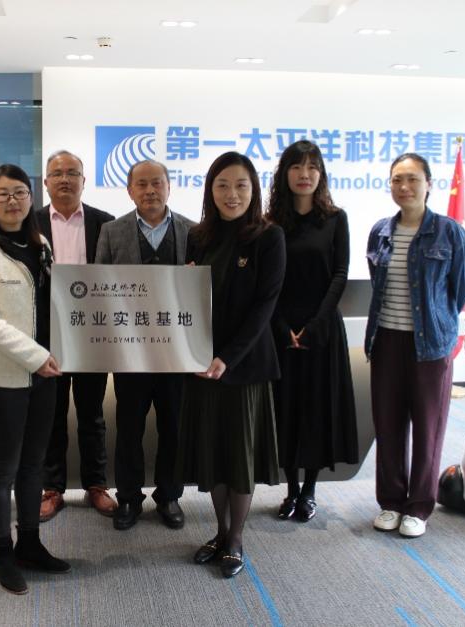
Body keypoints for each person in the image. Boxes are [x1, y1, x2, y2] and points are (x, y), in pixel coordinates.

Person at [0, 164, 70, 595]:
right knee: (3, 468)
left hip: (43, 374)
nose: (12, 201)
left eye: (20, 192)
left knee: (33, 464)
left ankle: (30, 543)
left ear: (31, 198)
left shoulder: (40, 245)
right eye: (2, 194)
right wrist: (36, 356)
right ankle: (2, 552)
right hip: (1, 375)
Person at [177, 152, 285, 579]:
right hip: (203, 364)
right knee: (214, 454)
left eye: (241, 185)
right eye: (222, 185)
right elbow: (189, 302)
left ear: (254, 189)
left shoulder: (268, 237)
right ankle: (220, 533)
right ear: (211, 190)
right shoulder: (198, 236)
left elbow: (264, 308)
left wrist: (228, 358)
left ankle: (236, 538)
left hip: (244, 367)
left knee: (238, 458)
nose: (231, 194)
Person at [366, 153, 465, 538]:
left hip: (430, 345)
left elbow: (463, 289)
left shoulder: (450, 233)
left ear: (429, 184)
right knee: (389, 425)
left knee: (428, 427)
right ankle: (391, 502)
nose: (404, 187)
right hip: (386, 339)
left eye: (412, 179)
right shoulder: (380, 232)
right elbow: (378, 283)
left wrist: (436, 320)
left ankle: (418, 507)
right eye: (397, 179)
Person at [96, 159, 194, 531]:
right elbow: (100, 290)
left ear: (169, 186)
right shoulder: (111, 231)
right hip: (130, 351)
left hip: (177, 352)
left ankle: (169, 496)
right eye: (142, 184)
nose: (150, 190)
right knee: (128, 427)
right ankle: (129, 498)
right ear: (129, 190)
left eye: (157, 183)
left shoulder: (193, 231)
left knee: (174, 427)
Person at [267, 140, 359, 523]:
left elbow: (340, 273)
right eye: (296, 167)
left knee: (317, 410)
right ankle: (290, 489)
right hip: (280, 328)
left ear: (321, 174)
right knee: (286, 410)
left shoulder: (336, 219)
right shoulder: (270, 222)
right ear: (284, 174)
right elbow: (267, 281)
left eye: (312, 167)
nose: (304, 174)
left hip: (322, 329)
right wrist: (282, 326)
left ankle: (309, 491)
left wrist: (317, 324)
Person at [35, 150, 117, 521]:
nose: (65, 179)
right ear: (46, 182)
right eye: (57, 173)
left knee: (92, 414)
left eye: (72, 173)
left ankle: (96, 485)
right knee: (50, 415)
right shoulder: (31, 223)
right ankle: (52, 488)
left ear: (84, 180)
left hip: (91, 333)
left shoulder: (105, 223)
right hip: (47, 334)